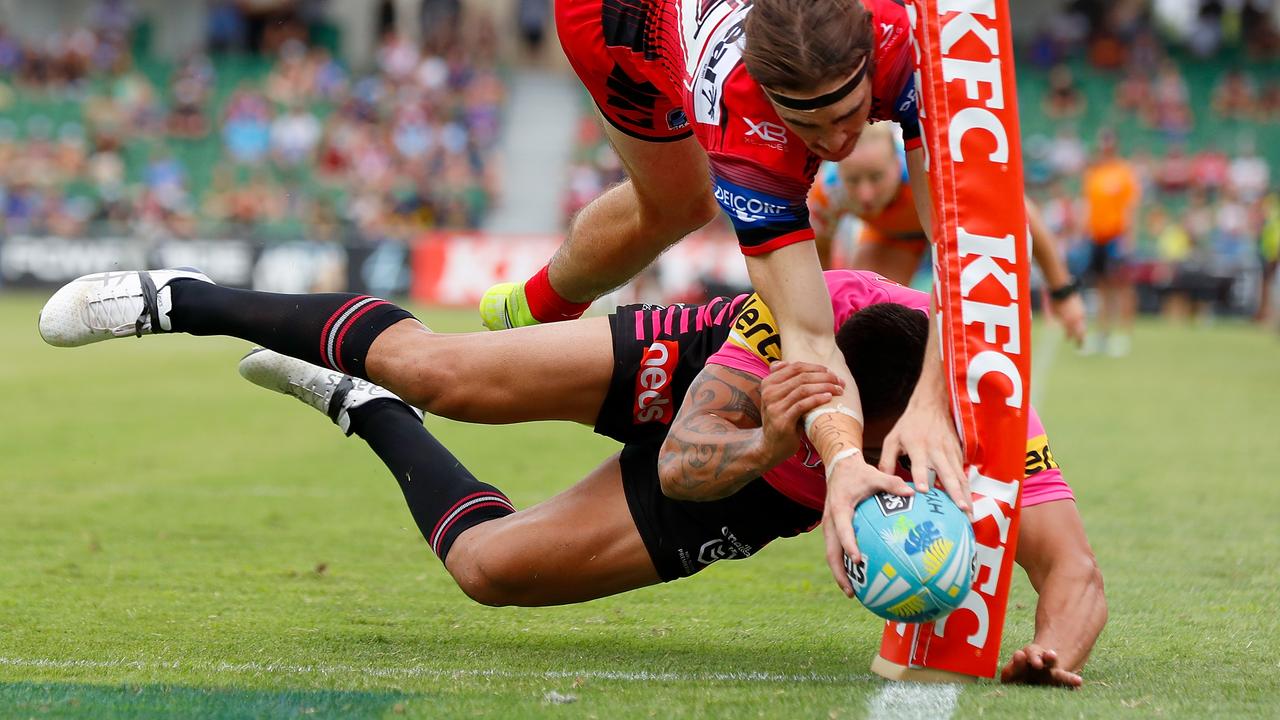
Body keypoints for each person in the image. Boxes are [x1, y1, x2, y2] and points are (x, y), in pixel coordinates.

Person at [39, 267, 1106, 686]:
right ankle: (176, 296)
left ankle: (360, 410)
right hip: (708, 398)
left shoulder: (995, 421)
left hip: (750, 489)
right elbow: (690, 462)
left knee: (488, 570)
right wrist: (791, 446)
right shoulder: (798, 325)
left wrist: (1050, 648)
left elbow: (1073, 572)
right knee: (443, 369)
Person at [477, 0, 968, 540]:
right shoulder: (740, 127)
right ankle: (541, 306)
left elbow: (955, 241)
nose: (832, 146)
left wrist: (930, 399)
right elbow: (807, 335)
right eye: (804, 123)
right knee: (679, 206)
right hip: (615, 20)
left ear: (872, 62)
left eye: (847, 116)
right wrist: (845, 459)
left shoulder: (913, 41)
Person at [807, 124, 1088, 345]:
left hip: (958, 233)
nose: (865, 193)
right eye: (854, 180)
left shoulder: (936, 172)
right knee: (863, 326)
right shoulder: (829, 193)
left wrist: (1063, 292)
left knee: (976, 330)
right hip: (891, 240)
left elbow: (1021, 212)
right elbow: (822, 254)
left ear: (897, 164)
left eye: (876, 177)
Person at [1081, 130, 1141, 356]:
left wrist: (1129, 237)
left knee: (1121, 285)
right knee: (1101, 286)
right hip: (1097, 237)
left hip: (1117, 236)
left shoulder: (1123, 172)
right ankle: (1102, 334)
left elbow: (1130, 207)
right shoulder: (1094, 173)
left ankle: (1123, 335)